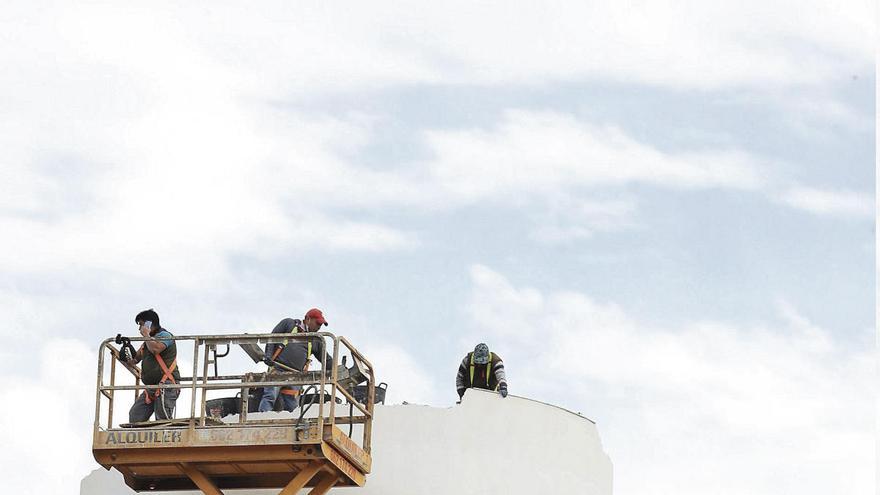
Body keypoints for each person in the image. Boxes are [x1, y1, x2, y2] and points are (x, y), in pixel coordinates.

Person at [259, 308, 335, 412]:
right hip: (277, 370)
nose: (319, 326)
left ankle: (292, 425)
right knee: (270, 396)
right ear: (308, 319)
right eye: (317, 323)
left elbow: (326, 359)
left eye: (320, 324)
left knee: (292, 405)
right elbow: (272, 338)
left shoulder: (316, 340)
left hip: (296, 376)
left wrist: (337, 370)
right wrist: (268, 355)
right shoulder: (289, 324)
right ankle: (263, 417)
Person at [124, 309, 181, 423]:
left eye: (141, 324)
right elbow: (135, 360)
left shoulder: (166, 336)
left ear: (149, 324)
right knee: (135, 415)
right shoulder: (147, 342)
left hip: (166, 384)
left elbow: (155, 349)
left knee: (162, 419)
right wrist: (126, 350)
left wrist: (146, 334)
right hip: (152, 387)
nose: (139, 328)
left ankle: (164, 440)